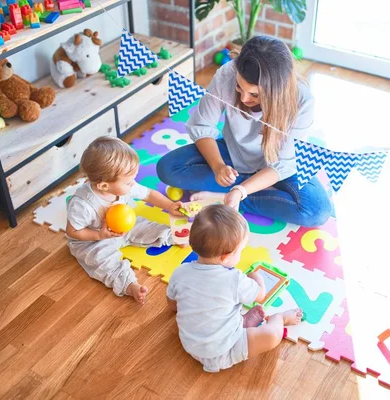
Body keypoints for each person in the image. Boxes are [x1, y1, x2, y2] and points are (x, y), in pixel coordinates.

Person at [157, 35, 333, 227]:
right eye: (239, 87)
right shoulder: (227, 74)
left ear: (277, 91)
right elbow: (202, 126)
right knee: (168, 167)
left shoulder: (302, 101)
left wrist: (241, 190)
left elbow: (286, 164)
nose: (245, 98)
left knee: (317, 210)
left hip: (278, 166)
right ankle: (256, 191)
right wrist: (218, 167)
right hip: (233, 154)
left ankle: (229, 196)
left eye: (255, 94)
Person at [167, 204, 303, 372]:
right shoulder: (235, 279)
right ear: (226, 257)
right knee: (271, 336)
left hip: (190, 343)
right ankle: (280, 319)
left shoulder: (180, 272)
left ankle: (244, 322)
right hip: (225, 350)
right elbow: (260, 296)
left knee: (221, 308)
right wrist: (256, 277)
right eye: (241, 250)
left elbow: (172, 305)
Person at [66, 137, 184, 304]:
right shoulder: (83, 205)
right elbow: (72, 231)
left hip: (127, 226)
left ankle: (176, 235)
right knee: (103, 261)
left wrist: (170, 205)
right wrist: (99, 235)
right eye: (129, 182)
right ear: (103, 186)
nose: (133, 184)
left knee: (147, 227)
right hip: (93, 240)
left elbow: (149, 194)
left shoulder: (124, 186)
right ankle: (130, 285)